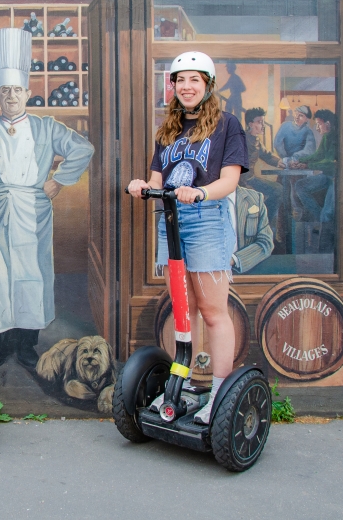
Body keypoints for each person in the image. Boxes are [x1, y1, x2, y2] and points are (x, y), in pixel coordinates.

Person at [127, 51, 248, 424]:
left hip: (206, 219)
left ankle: (219, 394)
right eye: (181, 80)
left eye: (195, 79)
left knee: (213, 311)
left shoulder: (227, 125)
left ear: (208, 85)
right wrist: (141, 185)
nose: (187, 86)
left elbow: (230, 180)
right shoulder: (168, 129)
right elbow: (157, 179)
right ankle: (187, 384)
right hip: (171, 220)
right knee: (184, 309)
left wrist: (200, 192)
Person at [0, 28, 94, 373]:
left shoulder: (46, 127)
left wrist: (59, 180)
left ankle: (26, 346)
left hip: (33, 211)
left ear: (28, 93)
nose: (11, 96)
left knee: (31, 275)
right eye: (5, 90)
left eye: (17, 90)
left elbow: (83, 149)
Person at [293, 110, 338, 223]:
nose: (317, 128)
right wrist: (299, 160)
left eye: (319, 124)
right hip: (327, 176)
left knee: (327, 213)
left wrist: (308, 165)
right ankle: (320, 219)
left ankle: (323, 221)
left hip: (335, 179)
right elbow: (318, 155)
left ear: (328, 124)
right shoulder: (326, 136)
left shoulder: (335, 138)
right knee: (300, 186)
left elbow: (329, 163)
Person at [240, 107, 283, 226]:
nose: (263, 125)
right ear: (250, 124)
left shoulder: (256, 140)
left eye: (263, 122)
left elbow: (267, 155)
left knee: (278, 189)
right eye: (259, 122)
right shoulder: (242, 139)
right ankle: (263, 221)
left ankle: (263, 221)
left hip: (250, 179)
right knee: (277, 190)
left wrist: (281, 162)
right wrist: (244, 184)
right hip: (242, 181)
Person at [231, 185, 275, 274]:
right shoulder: (201, 198)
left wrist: (234, 260)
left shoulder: (255, 198)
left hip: (246, 272)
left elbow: (266, 242)